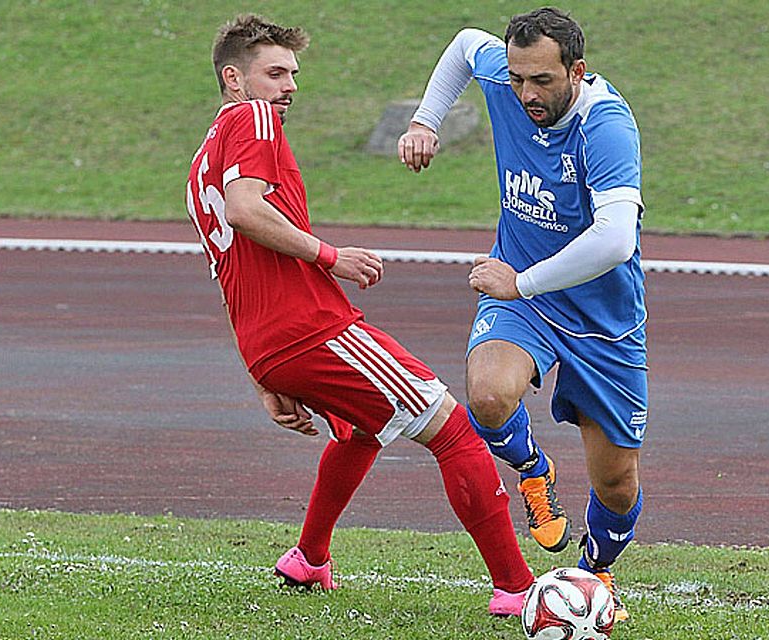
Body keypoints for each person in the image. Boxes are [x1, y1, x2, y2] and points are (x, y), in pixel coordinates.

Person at [185, 14, 534, 616]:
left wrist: (262, 372)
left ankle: (308, 559)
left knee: (361, 429)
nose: (289, 85)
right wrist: (330, 255)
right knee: (452, 430)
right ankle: (518, 589)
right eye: (274, 73)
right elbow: (244, 212)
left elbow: (230, 270)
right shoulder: (253, 117)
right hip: (312, 327)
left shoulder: (200, 163)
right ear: (233, 79)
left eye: (293, 73)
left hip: (270, 341)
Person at [399, 7, 647, 623]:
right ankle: (534, 470)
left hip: (602, 318)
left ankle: (592, 578)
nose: (525, 94)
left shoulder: (607, 126)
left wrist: (522, 280)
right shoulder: (505, 77)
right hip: (524, 304)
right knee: (486, 395)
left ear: (577, 71)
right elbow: (462, 43)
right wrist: (426, 121)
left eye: (541, 80)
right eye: (517, 79)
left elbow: (615, 240)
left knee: (616, 485)